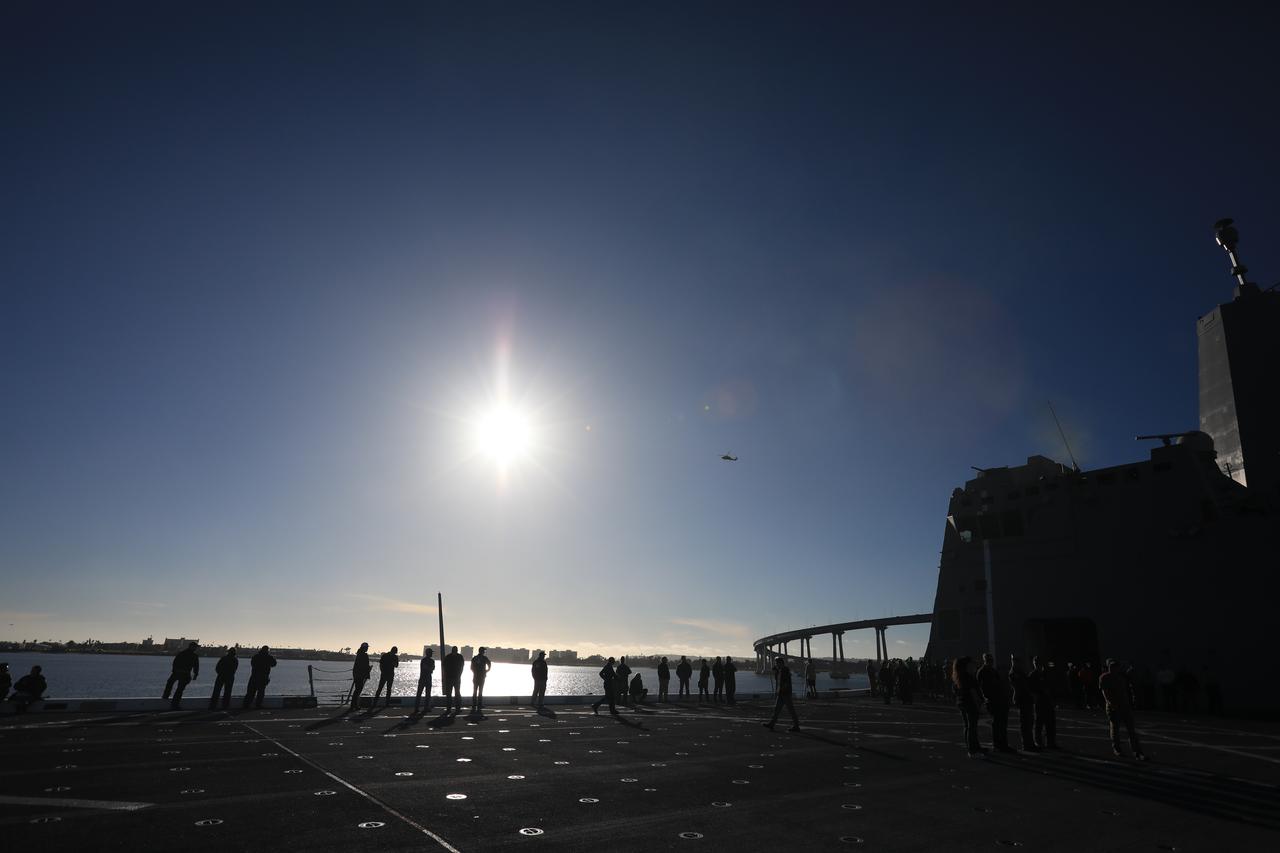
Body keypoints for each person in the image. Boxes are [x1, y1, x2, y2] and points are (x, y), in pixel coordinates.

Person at [1099, 659, 1147, 760]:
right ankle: (1117, 749)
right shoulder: (1104, 677)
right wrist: (1110, 703)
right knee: (1115, 729)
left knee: (1131, 730)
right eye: (1112, 666)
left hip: (1124, 705)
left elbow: (1126, 691)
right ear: (1109, 667)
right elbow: (1105, 692)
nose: (1114, 668)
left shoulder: (1121, 678)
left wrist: (1130, 702)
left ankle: (1137, 751)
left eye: (1116, 667)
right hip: (1114, 706)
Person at [976, 652, 1012, 752]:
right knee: (997, 723)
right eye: (989, 660)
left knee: (1001, 723)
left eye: (991, 660)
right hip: (992, 700)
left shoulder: (991, 671)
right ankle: (999, 744)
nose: (990, 662)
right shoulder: (983, 671)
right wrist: (985, 698)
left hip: (998, 699)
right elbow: (980, 687)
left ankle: (1002, 744)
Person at [952, 656, 985, 757]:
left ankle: (973, 747)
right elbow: (973, 692)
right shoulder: (968, 677)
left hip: (962, 703)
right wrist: (979, 704)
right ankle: (973, 750)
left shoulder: (957, 676)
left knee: (967, 726)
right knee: (972, 727)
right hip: (970, 703)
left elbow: (955, 691)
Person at [1008, 655, 1038, 752]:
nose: (1017, 664)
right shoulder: (1014, 673)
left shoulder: (1020, 672)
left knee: (1029, 722)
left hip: (1026, 698)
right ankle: (1027, 744)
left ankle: (1030, 743)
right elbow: (1020, 685)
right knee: (1025, 723)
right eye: (1015, 661)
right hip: (1022, 698)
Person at [763, 655, 800, 732]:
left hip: (785, 693)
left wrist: (783, 689)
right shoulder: (780, 670)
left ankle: (796, 726)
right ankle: (772, 724)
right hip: (781, 693)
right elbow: (777, 680)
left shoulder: (785, 670)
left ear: (780, 663)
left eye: (777, 663)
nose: (776, 664)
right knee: (777, 709)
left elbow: (786, 682)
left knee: (791, 710)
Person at [1029, 656, 1057, 749]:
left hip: (1047, 701)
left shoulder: (1044, 674)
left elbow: (1050, 687)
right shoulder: (1033, 675)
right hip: (1040, 701)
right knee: (1039, 723)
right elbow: (1031, 690)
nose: (1039, 665)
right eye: (1037, 663)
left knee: (1050, 723)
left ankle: (1050, 742)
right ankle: (1039, 742)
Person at [163, 641, 200, 709]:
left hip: (178, 672)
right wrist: (195, 674)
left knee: (170, 683)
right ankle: (174, 704)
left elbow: (175, 662)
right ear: (192, 647)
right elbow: (196, 666)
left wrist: (174, 670)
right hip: (184, 674)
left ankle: (166, 696)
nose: (195, 648)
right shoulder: (194, 656)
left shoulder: (182, 653)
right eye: (195, 647)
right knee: (179, 689)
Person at [350, 643, 372, 710]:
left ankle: (353, 704)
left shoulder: (359, 654)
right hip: (360, 675)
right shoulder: (364, 655)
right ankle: (354, 705)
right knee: (358, 690)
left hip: (357, 674)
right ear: (364, 648)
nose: (367, 648)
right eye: (367, 647)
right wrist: (368, 669)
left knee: (357, 690)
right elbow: (364, 665)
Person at [443, 646, 464, 712]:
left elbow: (444, 666)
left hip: (450, 678)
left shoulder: (448, 657)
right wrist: (459, 675)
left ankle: (449, 708)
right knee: (456, 693)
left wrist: (445, 676)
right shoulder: (460, 657)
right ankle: (457, 707)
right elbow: (462, 667)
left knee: (450, 693)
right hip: (455, 677)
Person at [414, 647, 436, 714]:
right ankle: (420, 708)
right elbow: (430, 668)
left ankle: (423, 707)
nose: (432, 654)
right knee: (422, 693)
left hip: (425, 678)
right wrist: (430, 669)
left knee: (425, 694)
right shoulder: (427, 660)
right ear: (428, 653)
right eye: (431, 652)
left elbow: (431, 668)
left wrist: (429, 669)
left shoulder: (426, 660)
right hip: (425, 678)